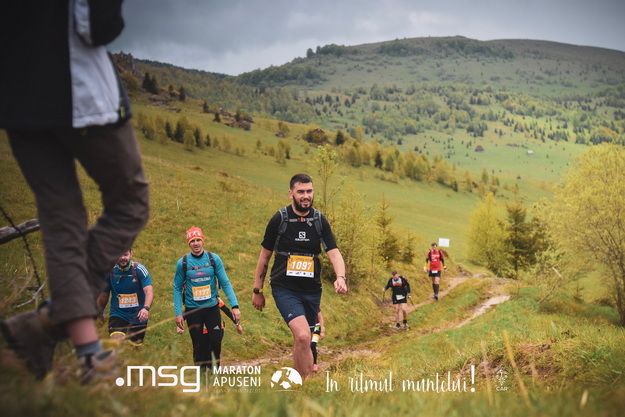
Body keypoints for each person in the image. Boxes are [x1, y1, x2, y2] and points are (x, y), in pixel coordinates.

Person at [0, 1, 149, 382]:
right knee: (130, 202)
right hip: (80, 92)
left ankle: (86, 352)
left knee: (60, 214)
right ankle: (50, 321)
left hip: (16, 96)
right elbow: (98, 26)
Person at [252, 173, 348, 379]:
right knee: (304, 335)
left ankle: (302, 386)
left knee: (304, 339)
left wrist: (341, 277)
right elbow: (264, 256)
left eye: (309, 191)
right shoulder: (280, 219)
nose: (306, 196)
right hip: (285, 289)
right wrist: (257, 290)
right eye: (301, 192)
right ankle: (300, 384)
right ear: (291, 194)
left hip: (312, 291)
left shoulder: (319, 220)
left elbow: (334, 253)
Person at [173, 227, 241, 372]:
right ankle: (202, 376)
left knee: (216, 342)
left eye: (198, 240)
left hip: (212, 309)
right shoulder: (183, 263)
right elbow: (177, 288)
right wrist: (178, 313)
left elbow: (225, 283)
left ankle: (214, 372)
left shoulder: (213, 259)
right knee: (199, 346)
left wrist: (234, 306)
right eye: (192, 241)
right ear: (189, 243)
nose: (196, 243)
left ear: (202, 241)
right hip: (193, 310)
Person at [97, 250, 153, 346]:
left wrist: (146, 308)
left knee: (134, 348)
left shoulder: (139, 270)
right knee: (116, 341)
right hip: (118, 314)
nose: (123, 258)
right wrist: (100, 313)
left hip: (138, 316)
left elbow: (149, 291)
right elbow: (104, 295)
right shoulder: (110, 271)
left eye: (126, 255)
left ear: (131, 254)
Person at [311, 309, 324, 373]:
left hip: (316, 327)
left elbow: (320, 318)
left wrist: (322, 331)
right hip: (306, 326)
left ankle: (314, 364)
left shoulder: (316, 306)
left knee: (312, 345)